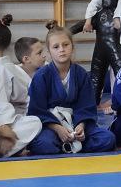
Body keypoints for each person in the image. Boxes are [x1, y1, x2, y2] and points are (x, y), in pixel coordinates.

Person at [28, 22, 115, 155]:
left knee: (107, 139)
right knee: (44, 144)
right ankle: (71, 145)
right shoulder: (41, 76)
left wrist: (81, 126)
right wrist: (57, 128)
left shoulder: (81, 74)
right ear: (49, 52)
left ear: (72, 47)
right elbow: (37, 110)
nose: (61, 49)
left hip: (76, 123)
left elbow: (87, 106)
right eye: (56, 47)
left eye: (65, 45)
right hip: (51, 126)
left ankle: (73, 143)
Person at [84, 0, 121, 111]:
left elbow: (81, 25)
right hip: (113, 51)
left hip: (102, 50)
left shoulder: (116, 15)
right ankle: (98, 103)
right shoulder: (116, 16)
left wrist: (68, 31)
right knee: (115, 75)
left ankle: (116, 103)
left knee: (100, 76)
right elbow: (83, 25)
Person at [0, 35, 46, 118]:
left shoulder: (46, 68)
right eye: (39, 53)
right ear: (26, 59)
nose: (44, 55)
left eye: (43, 51)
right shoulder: (12, 73)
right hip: (22, 115)